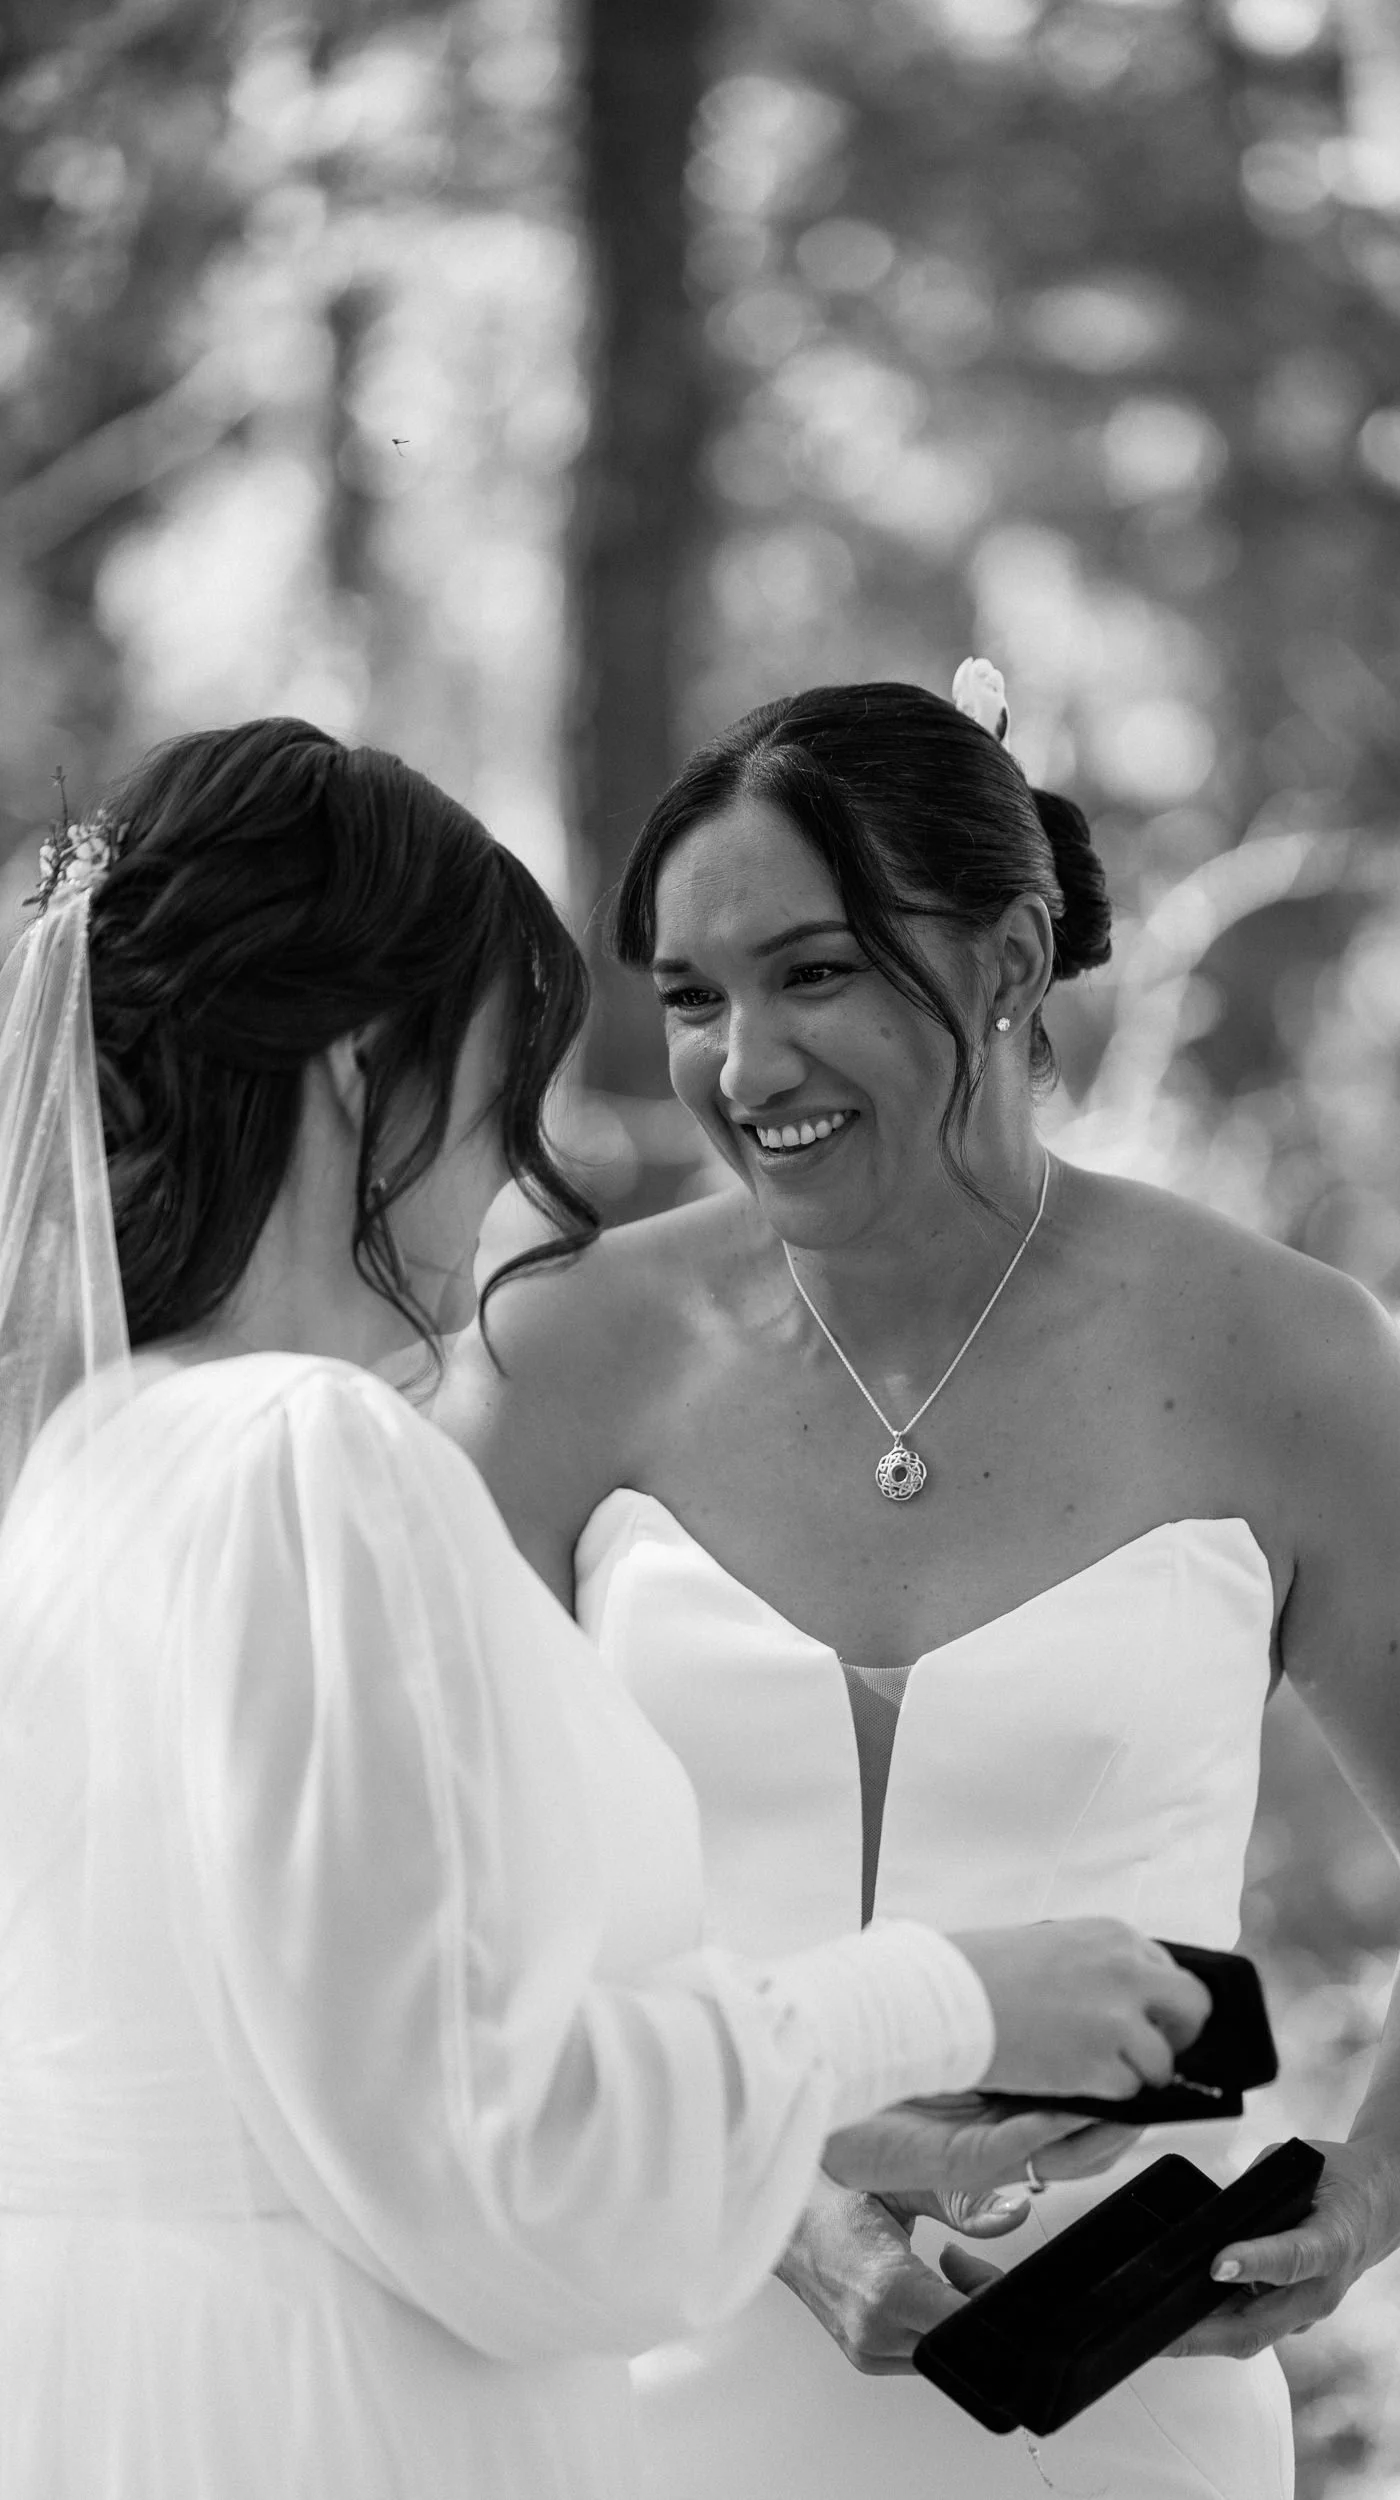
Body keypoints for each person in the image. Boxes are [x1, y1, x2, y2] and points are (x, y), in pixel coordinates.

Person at [0, 716, 1215, 2500]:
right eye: (503, 1085)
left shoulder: (91, 1474)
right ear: (363, 1072)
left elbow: (333, 2084)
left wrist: (815, 2119)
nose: (519, 1166)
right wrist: (943, 1996)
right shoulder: (310, 1460)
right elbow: (512, 2168)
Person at [439, 670, 1400, 2500]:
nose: (744, 1068)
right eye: (693, 997)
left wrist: (1371, 2190)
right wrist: (773, 2206)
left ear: (1010, 958)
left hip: (1120, 2416)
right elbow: (450, 1927)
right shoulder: (562, 1354)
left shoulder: (1292, 1363)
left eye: (814, 974)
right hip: (632, 2395)